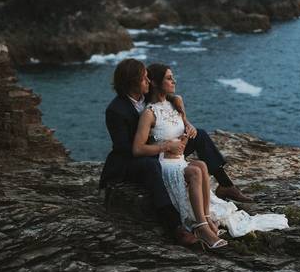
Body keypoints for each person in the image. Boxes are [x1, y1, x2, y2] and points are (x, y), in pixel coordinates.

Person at [137, 63, 288, 241]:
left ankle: (218, 198)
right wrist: (167, 146)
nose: (174, 81)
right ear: (155, 83)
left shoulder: (176, 101)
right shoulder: (148, 112)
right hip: (165, 160)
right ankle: (202, 224)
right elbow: (138, 147)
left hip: (178, 155)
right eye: (169, 78)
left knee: (200, 152)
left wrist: (189, 127)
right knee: (197, 165)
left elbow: (183, 125)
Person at [99, 58, 197, 246]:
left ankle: (224, 182)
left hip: (154, 149)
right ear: (132, 83)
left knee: (198, 137)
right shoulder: (115, 110)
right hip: (128, 161)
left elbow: (167, 98)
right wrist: (160, 148)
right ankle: (174, 226)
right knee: (152, 165)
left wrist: (183, 116)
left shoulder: (146, 97)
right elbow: (124, 148)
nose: (149, 81)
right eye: (144, 79)